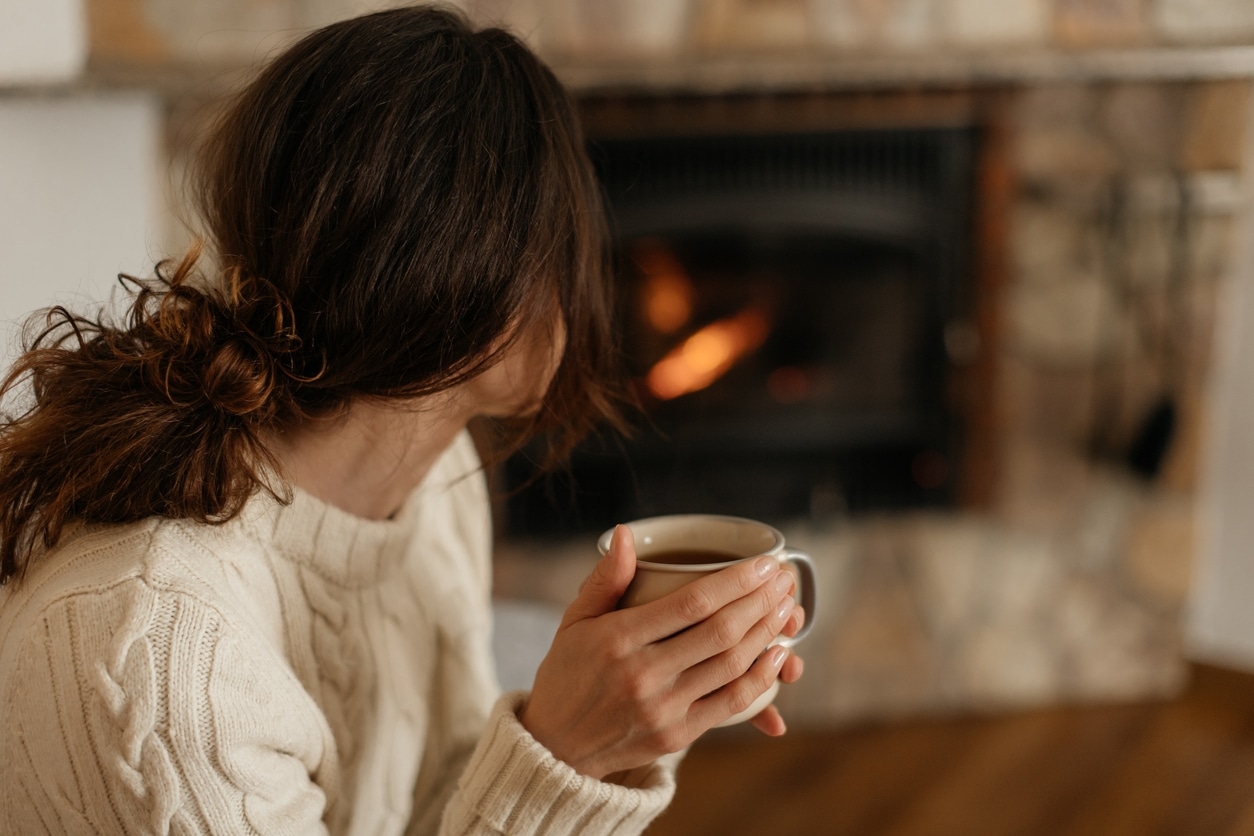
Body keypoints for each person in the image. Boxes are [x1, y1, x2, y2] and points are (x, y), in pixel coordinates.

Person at [0, 6, 805, 834]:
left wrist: (625, 723)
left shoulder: (432, 485)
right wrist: (567, 757)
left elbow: (438, 811)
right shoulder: (167, 662)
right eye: (564, 253)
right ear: (480, 291)